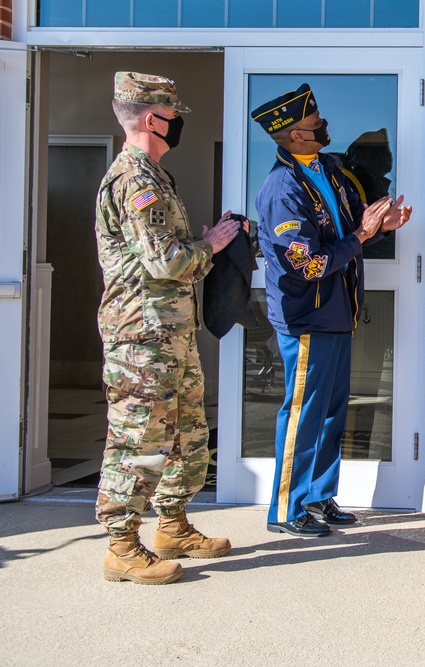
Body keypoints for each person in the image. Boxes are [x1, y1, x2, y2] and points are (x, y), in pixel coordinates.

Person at [95, 72, 244, 584]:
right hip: (141, 336)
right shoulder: (135, 180)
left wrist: (199, 249)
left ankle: (173, 526)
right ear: (151, 118)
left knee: (184, 431)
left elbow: (170, 259)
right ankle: (121, 548)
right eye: (172, 114)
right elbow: (166, 263)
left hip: (169, 332)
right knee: (139, 437)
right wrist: (214, 244)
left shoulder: (156, 177)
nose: (177, 121)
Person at [250, 84, 411, 538]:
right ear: (294, 135)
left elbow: (351, 228)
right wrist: (362, 236)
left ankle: (318, 496)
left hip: (338, 312)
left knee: (329, 412)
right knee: (303, 413)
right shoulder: (282, 189)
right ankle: (286, 509)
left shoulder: (329, 172)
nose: (324, 126)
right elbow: (310, 263)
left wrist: (382, 226)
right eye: (316, 123)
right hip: (307, 317)